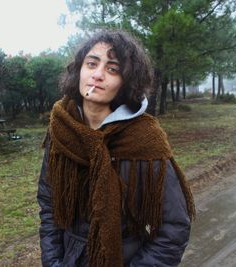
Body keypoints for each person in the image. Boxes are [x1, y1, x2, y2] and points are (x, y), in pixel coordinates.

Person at [37, 29, 195, 267]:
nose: (98, 75)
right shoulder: (61, 131)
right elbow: (49, 207)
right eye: (91, 64)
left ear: (126, 82)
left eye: (112, 69)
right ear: (79, 70)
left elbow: (174, 227)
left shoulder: (144, 140)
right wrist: (52, 262)